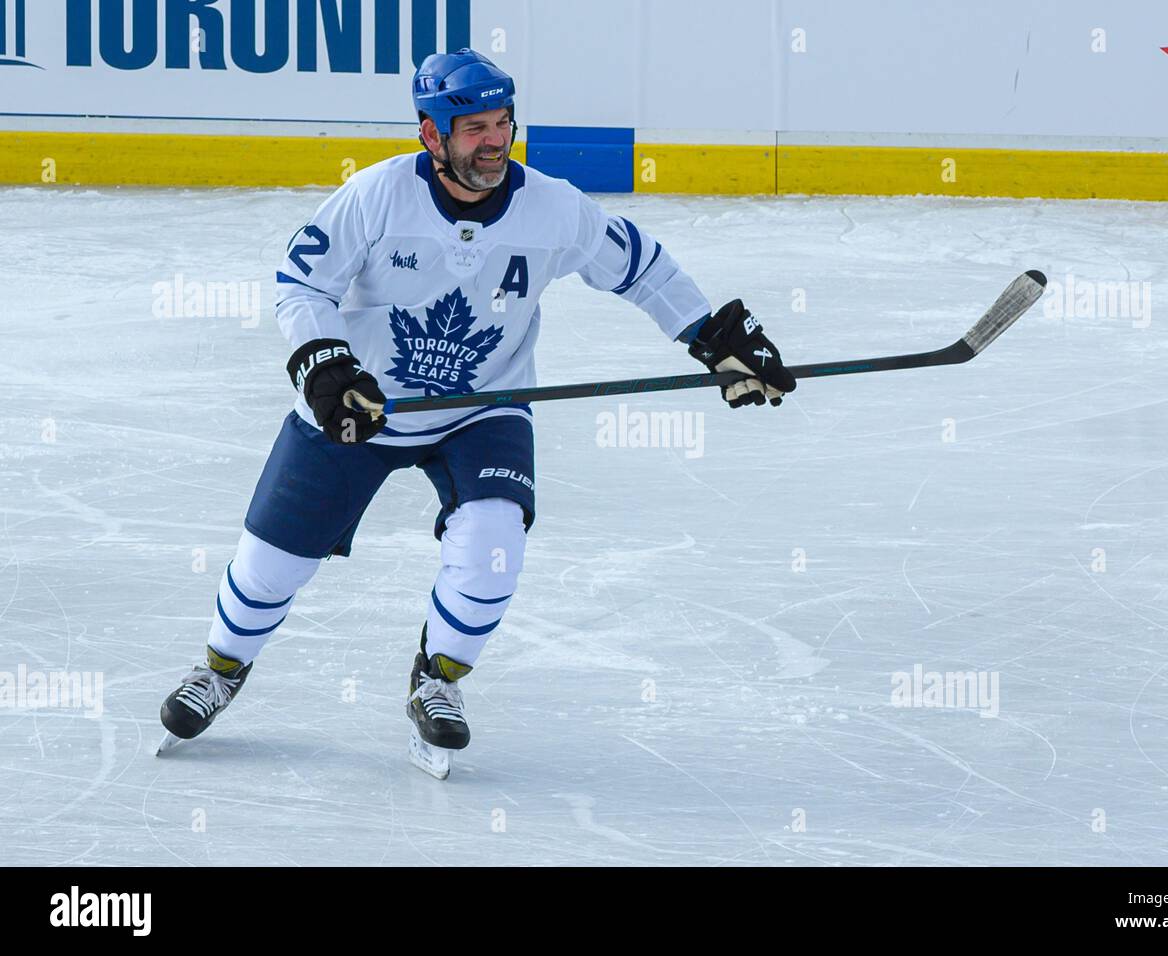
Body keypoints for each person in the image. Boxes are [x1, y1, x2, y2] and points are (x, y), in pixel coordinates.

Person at [158, 49, 796, 778]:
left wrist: (713, 339)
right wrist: (325, 366)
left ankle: (437, 680)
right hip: (362, 406)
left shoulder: (552, 208)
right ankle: (223, 667)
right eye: (473, 128)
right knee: (269, 566)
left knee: (493, 551)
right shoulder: (374, 197)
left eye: (502, 123)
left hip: (482, 409)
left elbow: (641, 267)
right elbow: (301, 285)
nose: (494, 141)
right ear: (432, 135)